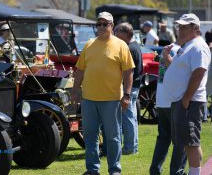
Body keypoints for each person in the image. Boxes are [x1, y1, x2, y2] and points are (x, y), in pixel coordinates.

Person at [71, 11, 135, 175]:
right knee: (90, 137)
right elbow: (80, 70)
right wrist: (75, 90)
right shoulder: (89, 44)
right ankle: (92, 170)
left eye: (104, 24)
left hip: (112, 100)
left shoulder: (121, 45)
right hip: (89, 99)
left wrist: (127, 95)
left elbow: (128, 72)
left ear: (111, 26)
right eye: (98, 24)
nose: (100, 27)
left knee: (113, 138)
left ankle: (114, 170)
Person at [163, 13, 211, 175]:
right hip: (183, 101)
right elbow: (179, 70)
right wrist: (167, 58)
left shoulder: (198, 46)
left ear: (195, 29)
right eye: (179, 27)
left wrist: (186, 99)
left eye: (184, 27)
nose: (180, 30)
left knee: (191, 143)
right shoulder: (188, 45)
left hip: (189, 102)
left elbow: (199, 72)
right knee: (188, 142)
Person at [149, 43, 187, 175]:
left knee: (163, 138)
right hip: (174, 101)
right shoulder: (180, 51)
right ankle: (177, 172)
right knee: (180, 140)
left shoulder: (169, 49)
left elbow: (163, 76)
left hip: (162, 100)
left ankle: (154, 170)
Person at [114, 23, 143, 155]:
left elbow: (128, 70)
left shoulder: (129, 48)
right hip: (135, 86)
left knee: (128, 118)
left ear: (126, 34)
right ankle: (134, 146)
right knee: (132, 118)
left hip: (129, 87)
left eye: (118, 34)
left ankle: (129, 148)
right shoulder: (135, 45)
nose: (116, 36)